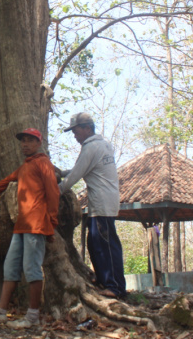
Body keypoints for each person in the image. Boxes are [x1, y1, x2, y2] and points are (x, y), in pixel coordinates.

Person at [0, 128, 59, 328]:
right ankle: (0, 311)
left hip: (36, 225)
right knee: (10, 268)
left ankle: (32, 316)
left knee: (31, 269)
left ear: (38, 143)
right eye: (23, 141)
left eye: (30, 140)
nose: (25, 144)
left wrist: (52, 223)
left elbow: (53, 193)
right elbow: (6, 181)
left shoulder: (43, 163)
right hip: (20, 226)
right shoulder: (25, 166)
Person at [59, 112, 127, 299]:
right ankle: (104, 279)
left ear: (87, 128)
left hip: (102, 203)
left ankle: (115, 287)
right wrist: (61, 173)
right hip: (104, 202)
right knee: (94, 242)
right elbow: (82, 168)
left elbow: (76, 175)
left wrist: (56, 190)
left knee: (106, 244)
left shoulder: (90, 147)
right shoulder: (103, 145)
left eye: (76, 131)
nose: (75, 135)